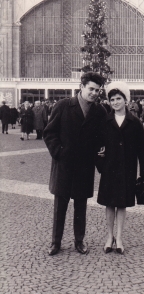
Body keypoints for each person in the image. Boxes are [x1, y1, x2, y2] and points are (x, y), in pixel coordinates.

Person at [43, 72, 106, 256]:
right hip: (64, 165)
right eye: (91, 89)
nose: (94, 93)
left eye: (97, 90)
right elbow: (49, 133)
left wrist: (101, 156)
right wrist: (59, 152)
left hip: (84, 167)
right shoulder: (63, 106)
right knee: (60, 206)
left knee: (81, 206)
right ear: (82, 87)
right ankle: (56, 242)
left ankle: (79, 241)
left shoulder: (99, 111)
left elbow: (101, 137)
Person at [96, 81, 144, 254]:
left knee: (122, 204)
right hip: (109, 169)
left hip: (127, 169)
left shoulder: (134, 122)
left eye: (118, 99)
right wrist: (101, 166)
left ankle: (119, 237)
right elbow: (97, 146)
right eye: (112, 100)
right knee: (109, 204)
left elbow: (142, 149)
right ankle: (109, 236)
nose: (115, 102)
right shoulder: (105, 121)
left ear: (125, 100)